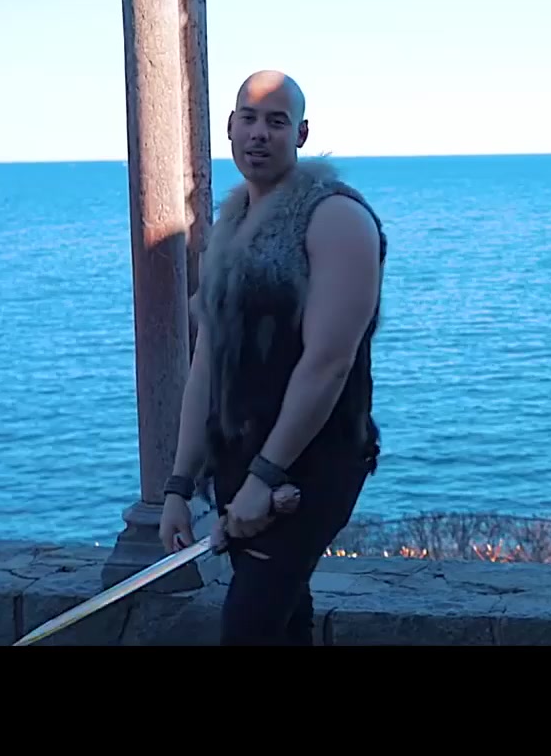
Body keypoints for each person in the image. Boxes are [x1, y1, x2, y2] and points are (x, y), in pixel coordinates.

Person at [158, 69, 385, 646]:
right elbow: (206, 366)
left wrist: (266, 476)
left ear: (301, 134)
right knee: (285, 625)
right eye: (249, 118)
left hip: (312, 463)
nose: (259, 133)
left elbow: (328, 362)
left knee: (250, 626)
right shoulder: (230, 228)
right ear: (230, 127)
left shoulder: (336, 219)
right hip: (240, 462)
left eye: (277, 121)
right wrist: (179, 487)